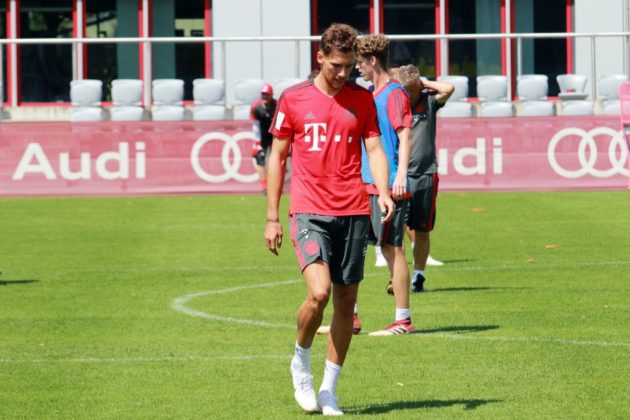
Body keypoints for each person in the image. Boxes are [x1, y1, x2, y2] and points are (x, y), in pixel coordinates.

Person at [264, 23, 394, 416]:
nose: (342, 73)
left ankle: (328, 390)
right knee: (319, 293)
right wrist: (272, 217)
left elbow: (375, 147)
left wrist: (384, 191)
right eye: (336, 65)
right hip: (309, 210)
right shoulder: (294, 99)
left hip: (353, 210)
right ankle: (300, 363)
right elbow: (277, 157)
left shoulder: (362, 99)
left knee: (346, 303)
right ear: (320, 57)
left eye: (349, 66)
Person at [355, 34, 414, 336]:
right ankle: (350, 317)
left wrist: (401, 175)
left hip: (388, 186)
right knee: (354, 249)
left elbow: (405, 135)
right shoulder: (369, 93)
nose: (357, 68)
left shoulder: (394, 93)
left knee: (392, 248)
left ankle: (403, 320)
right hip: (366, 184)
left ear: (372, 60)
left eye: (360, 62)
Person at [397, 64, 454, 292]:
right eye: (407, 90)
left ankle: (418, 276)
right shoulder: (394, 105)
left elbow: (449, 88)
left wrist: (424, 83)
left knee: (422, 229)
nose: (411, 95)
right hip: (399, 176)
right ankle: (397, 276)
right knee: (396, 230)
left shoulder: (428, 101)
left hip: (426, 174)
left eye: (414, 90)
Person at [250, 83, 277, 194]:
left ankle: (275, 185)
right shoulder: (256, 107)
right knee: (259, 158)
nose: (265, 96)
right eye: (263, 94)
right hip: (262, 136)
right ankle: (264, 186)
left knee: (277, 160)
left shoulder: (277, 105)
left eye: (267, 94)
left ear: (272, 95)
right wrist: (257, 143)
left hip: (275, 135)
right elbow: (255, 125)